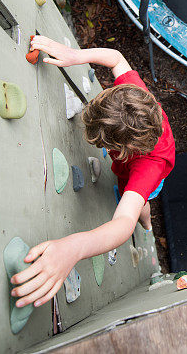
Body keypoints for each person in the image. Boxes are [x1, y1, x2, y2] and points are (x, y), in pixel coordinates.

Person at [9, 36, 175, 309]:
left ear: (121, 149)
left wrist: (74, 247)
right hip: (135, 156)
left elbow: (122, 224)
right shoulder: (131, 98)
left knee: (139, 202)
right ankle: (145, 216)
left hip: (149, 179)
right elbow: (117, 57)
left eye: (105, 145)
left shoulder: (148, 167)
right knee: (131, 196)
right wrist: (75, 55)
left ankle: (147, 222)